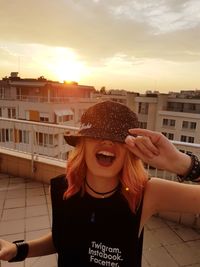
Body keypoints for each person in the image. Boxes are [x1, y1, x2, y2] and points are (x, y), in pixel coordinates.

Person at [0, 100, 200, 267]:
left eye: (118, 138)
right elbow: (63, 238)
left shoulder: (147, 193)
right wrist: (18, 250)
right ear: (82, 144)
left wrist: (182, 164)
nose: (107, 143)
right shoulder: (62, 186)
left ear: (130, 150)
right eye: (97, 135)